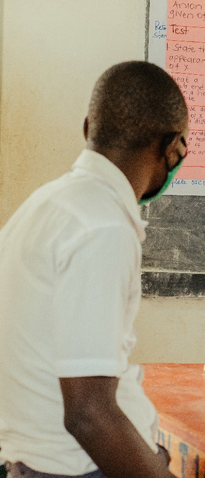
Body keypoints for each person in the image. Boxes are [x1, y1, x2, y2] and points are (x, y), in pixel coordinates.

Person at [0, 61, 187, 477]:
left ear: (88, 129)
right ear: (173, 148)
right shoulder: (101, 226)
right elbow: (88, 414)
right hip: (80, 469)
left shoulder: (48, 205)